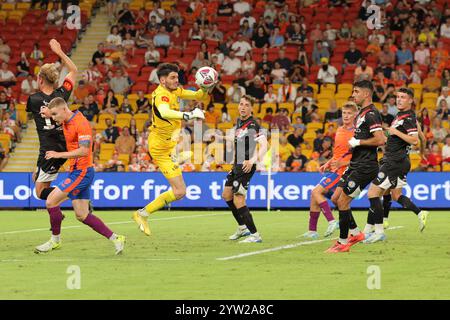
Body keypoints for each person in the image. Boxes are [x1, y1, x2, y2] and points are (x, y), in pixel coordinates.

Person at [34, 97, 125, 255]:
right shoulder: (65, 119)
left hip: (82, 172)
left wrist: (58, 154)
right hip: (77, 171)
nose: (54, 118)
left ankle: (55, 241)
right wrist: (48, 113)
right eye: (52, 115)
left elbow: (84, 150)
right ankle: (116, 238)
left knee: (50, 201)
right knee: (82, 215)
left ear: (64, 110)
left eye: (55, 114)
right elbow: (55, 112)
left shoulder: (81, 123)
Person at [132, 63, 214, 236]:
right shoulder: (161, 95)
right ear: (162, 80)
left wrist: (206, 87)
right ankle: (141, 214)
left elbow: (198, 95)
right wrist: (189, 115)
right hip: (160, 149)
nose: (177, 80)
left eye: (177, 77)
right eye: (172, 77)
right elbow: (164, 112)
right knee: (179, 191)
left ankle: (177, 158)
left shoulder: (175, 91)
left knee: (183, 180)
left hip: (170, 143)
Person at [326, 80, 386, 253]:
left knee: (344, 200)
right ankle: (355, 233)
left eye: (356, 91)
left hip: (365, 166)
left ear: (366, 94)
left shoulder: (371, 114)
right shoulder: (361, 114)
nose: (353, 94)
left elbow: (380, 139)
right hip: (355, 164)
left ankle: (343, 242)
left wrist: (358, 141)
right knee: (337, 199)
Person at [363, 88, 429, 244]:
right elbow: (423, 138)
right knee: (395, 195)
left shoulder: (408, 119)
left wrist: (394, 131)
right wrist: (423, 153)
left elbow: (414, 140)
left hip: (394, 161)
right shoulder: (406, 116)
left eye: (403, 97)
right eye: (398, 97)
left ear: (410, 100)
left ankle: (374, 230)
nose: (399, 100)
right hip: (400, 161)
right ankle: (420, 213)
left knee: (373, 193)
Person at [26, 39, 77, 202]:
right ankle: (58, 213)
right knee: (44, 187)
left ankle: (75, 194)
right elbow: (74, 70)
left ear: (40, 79)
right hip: (64, 144)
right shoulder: (61, 94)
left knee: (40, 192)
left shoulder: (33, 100)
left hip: (48, 149)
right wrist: (59, 52)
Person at [303, 102, 357, 240]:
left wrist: (341, 163)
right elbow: (338, 153)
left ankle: (332, 222)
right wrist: (327, 163)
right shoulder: (339, 130)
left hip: (344, 172)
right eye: (344, 113)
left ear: (355, 115)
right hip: (334, 169)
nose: (346, 116)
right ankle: (312, 230)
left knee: (316, 192)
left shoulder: (356, 133)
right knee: (316, 195)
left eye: (349, 113)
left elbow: (359, 159)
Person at [218, 95, 268, 243]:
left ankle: (255, 235)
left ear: (251, 108)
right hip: (236, 166)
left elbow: (265, 145)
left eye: (246, 105)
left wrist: (252, 160)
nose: (243, 107)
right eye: (241, 104)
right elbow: (238, 140)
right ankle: (242, 228)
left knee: (239, 199)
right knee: (227, 195)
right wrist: (221, 137)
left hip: (246, 167)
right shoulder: (240, 122)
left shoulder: (253, 125)